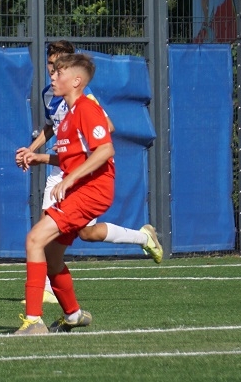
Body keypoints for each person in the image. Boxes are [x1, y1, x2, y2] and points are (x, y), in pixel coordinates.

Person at [15, 53, 162, 335]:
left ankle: (34, 321)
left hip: (91, 191)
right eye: (53, 72)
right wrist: (39, 158)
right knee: (51, 256)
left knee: (34, 239)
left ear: (77, 81)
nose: (53, 76)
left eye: (60, 72)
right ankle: (72, 315)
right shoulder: (67, 116)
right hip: (79, 191)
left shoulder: (86, 108)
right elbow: (74, 159)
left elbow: (106, 150)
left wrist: (68, 181)